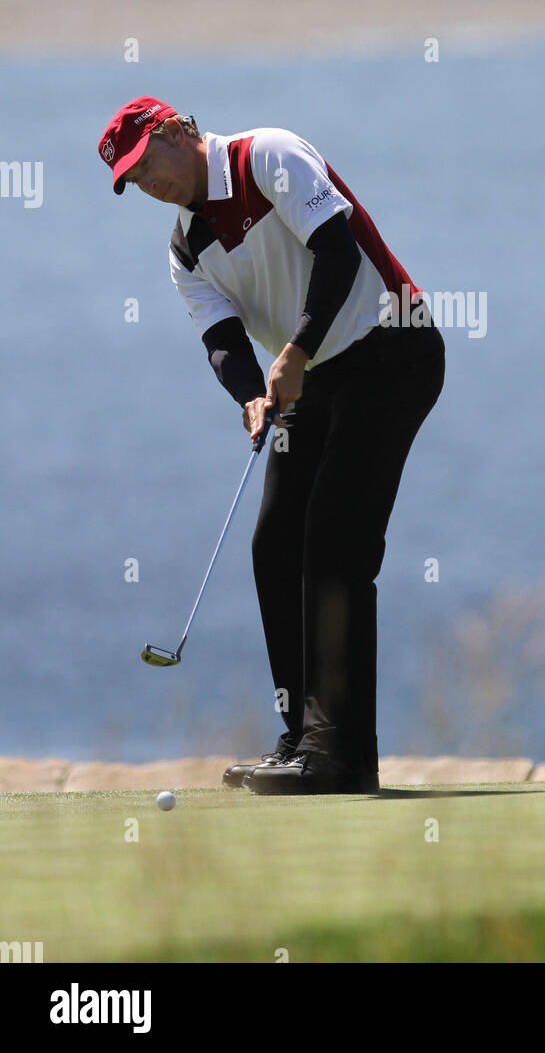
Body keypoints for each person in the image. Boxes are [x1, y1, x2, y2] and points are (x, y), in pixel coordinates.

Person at [98, 95, 445, 795]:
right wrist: (252, 396)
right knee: (276, 543)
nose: (148, 185)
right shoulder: (183, 248)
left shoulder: (266, 156)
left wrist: (294, 351)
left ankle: (342, 755)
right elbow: (222, 341)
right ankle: (301, 738)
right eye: (133, 182)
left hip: (392, 351)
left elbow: (338, 252)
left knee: (336, 542)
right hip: (312, 377)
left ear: (175, 131)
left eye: (146, 165)